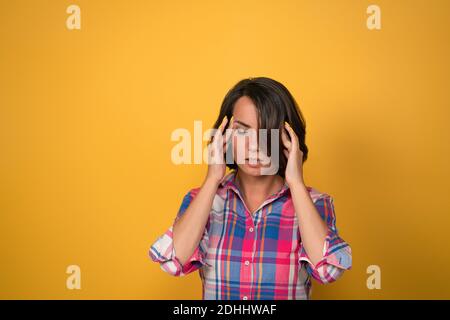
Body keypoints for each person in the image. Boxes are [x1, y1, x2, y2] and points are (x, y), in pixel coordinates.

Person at [149, 77, 352, 300]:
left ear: (288, 139)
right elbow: (171, 261)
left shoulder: (313, 203)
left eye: (267, 133)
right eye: (243, 131)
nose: (254, 146)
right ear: (225, 136)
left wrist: (295, 182)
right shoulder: (203, 200)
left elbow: (329, 271)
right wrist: (212, 178)